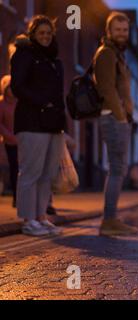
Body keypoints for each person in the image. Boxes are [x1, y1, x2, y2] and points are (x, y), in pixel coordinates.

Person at [10, 15, 66, 236]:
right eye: (41, 33)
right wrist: (43, 102)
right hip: (31, 122)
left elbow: (59, 96)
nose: (45, 37)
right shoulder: (24, 55)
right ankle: (28, 220)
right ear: (33, 34)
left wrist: (64, 125)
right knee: (30, 172)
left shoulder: (55, 61)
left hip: (53, 124)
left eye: (49, 33)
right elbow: (17, 87)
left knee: (47, 174)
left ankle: (41, 217)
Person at [93, 11, 138, 236]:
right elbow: (107, 89)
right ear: (109, 31)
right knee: (117, 168)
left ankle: (111, 219)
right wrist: (121, 117)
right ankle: (109, 220)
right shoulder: (107, 54)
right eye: (118, 30)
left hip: (118, 117)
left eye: (125, 30)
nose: (122, 34)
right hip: (112, 118)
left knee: (119, 168)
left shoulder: (118, 55)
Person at [0, 75, 18, 208]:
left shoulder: (19, 103)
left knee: (23, 170)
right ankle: (16, 197)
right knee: (14, 168)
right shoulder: (1, 103)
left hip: (23, 141)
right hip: (9, 142)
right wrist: (9, 136)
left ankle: (21, 197)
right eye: (9, 88)